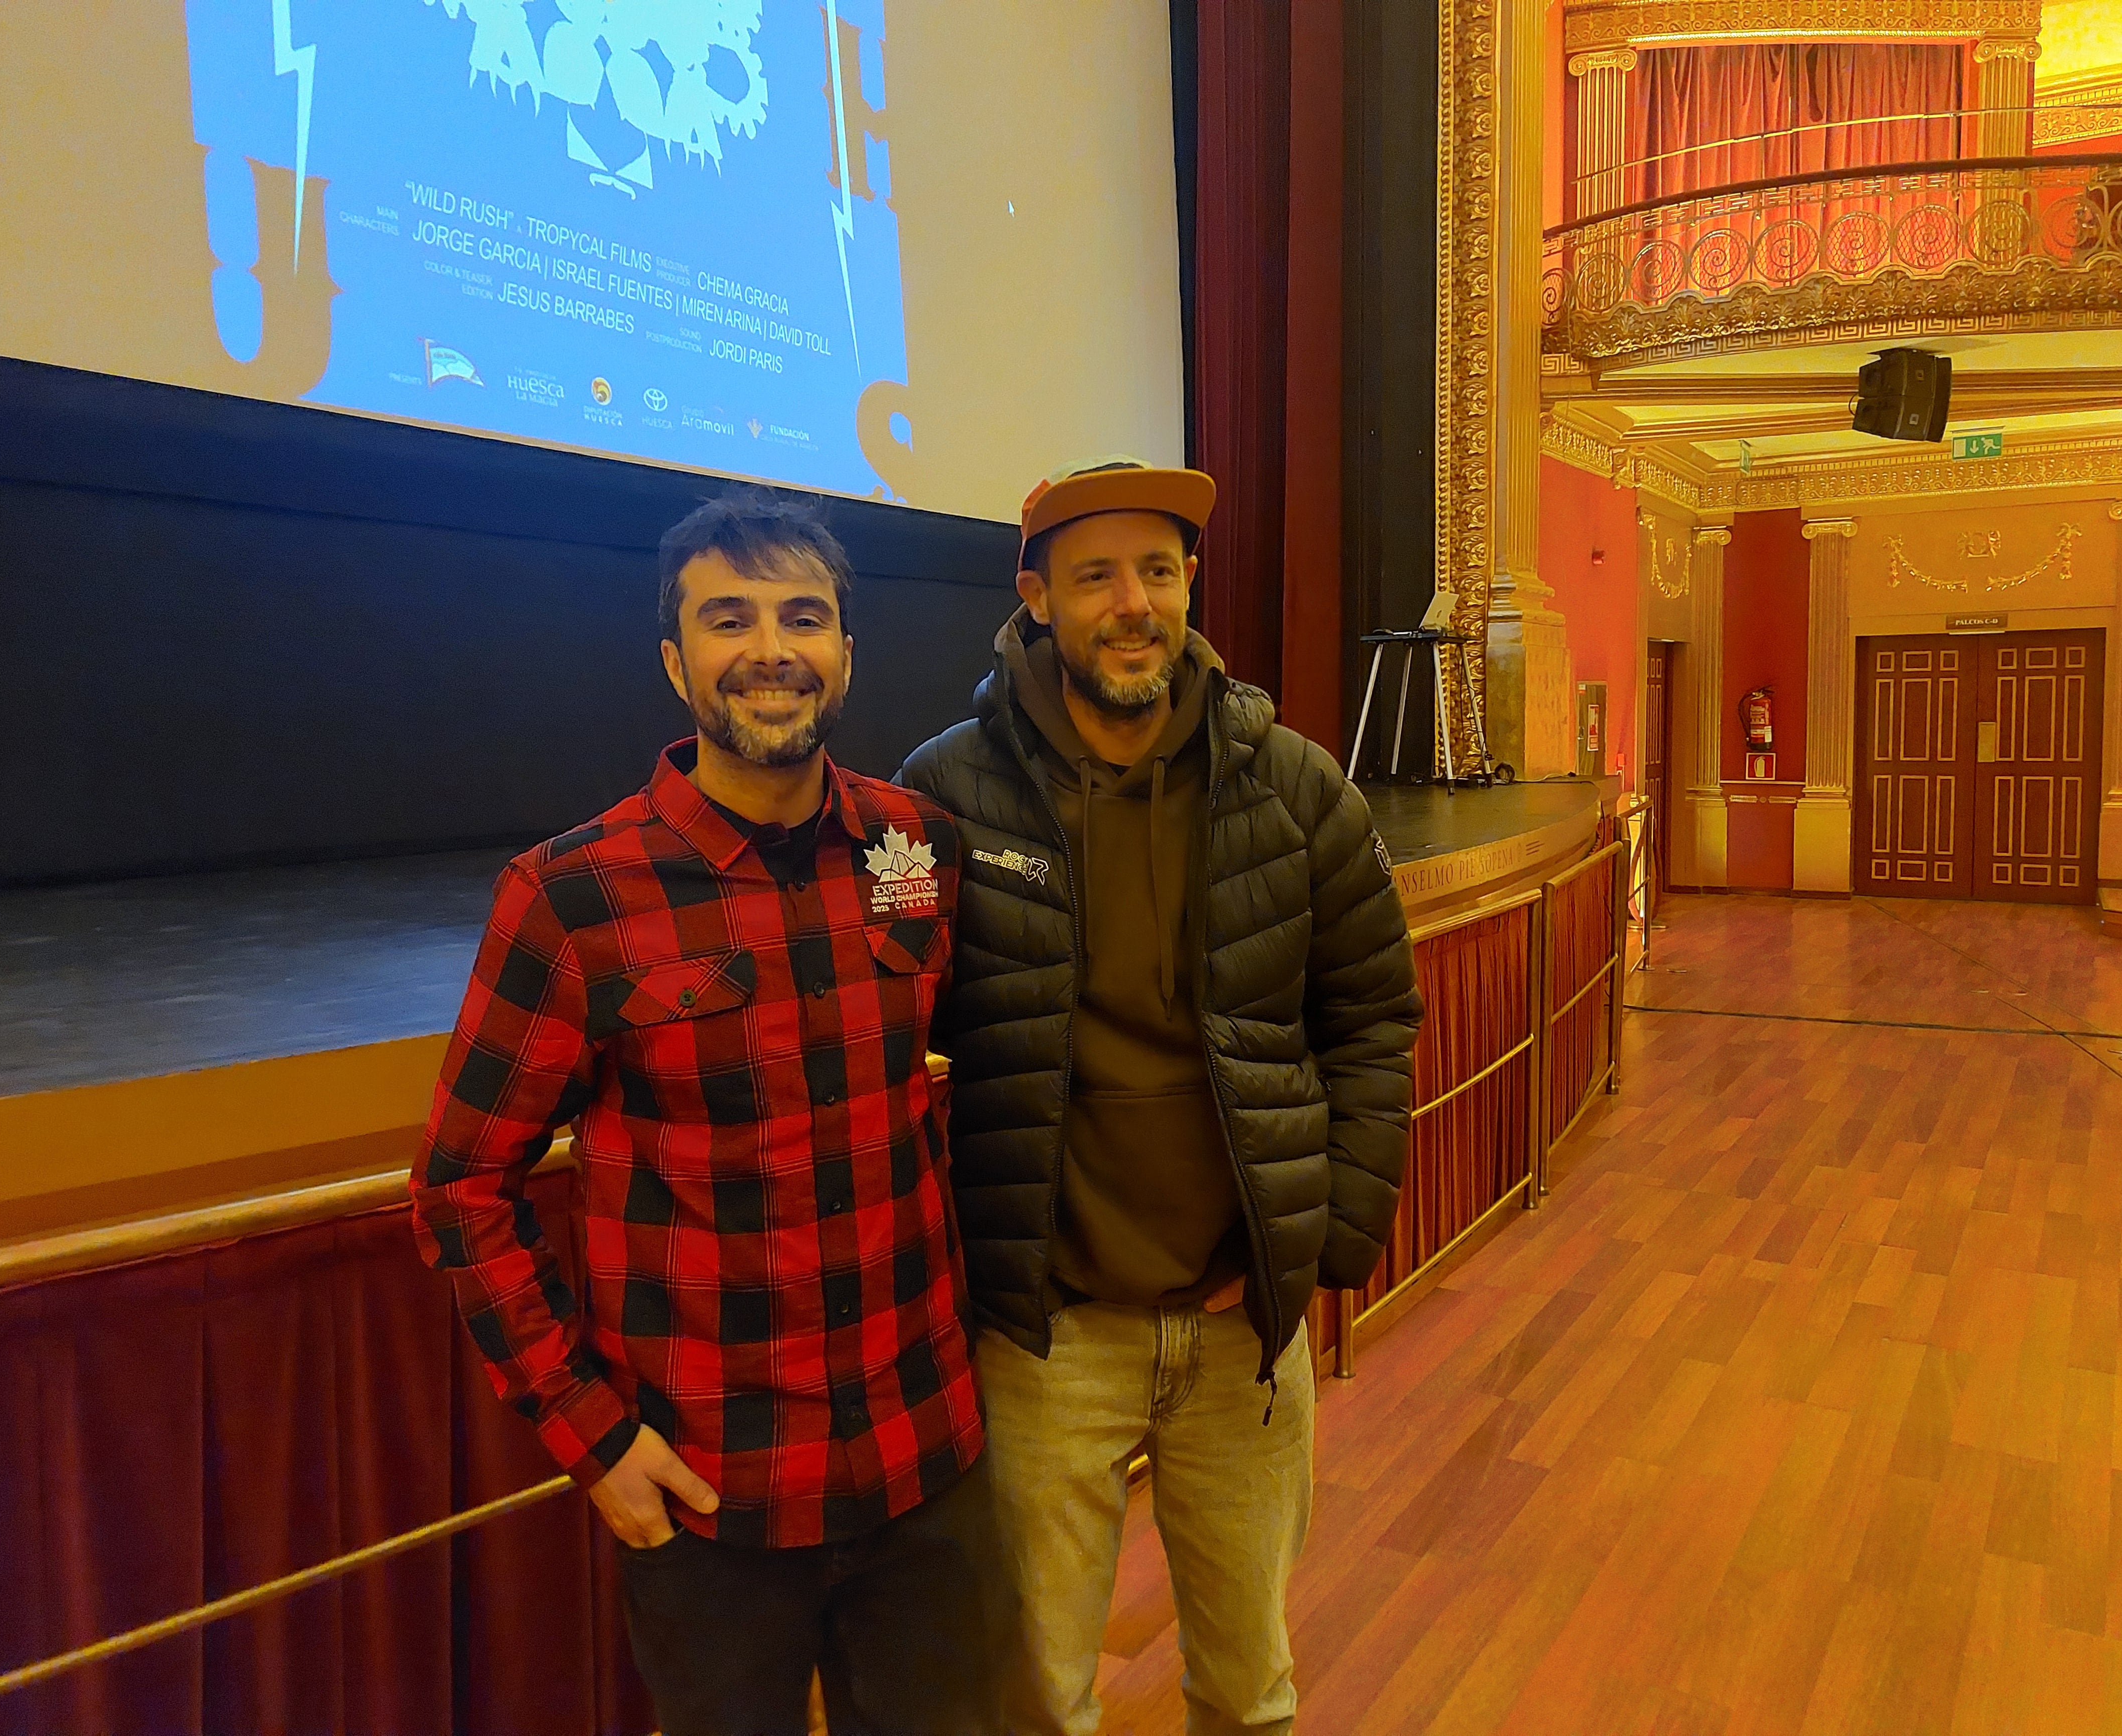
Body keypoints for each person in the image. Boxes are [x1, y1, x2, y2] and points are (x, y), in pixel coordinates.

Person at [411, 489, 1006, 1735]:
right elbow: (463, 1189)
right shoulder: (573, 897)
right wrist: (590, 1438)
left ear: (848, 650)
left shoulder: (919, 852)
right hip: (707, 1500)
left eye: (804, 616)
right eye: (729, 620)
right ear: (676, 663)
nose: (771, 649)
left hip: (927, 1469)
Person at [899, 458, 1421, 1734]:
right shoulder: (941, 796)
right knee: (1035, 1701)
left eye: (1157, 571)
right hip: (1045, 1341)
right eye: (1093, 576)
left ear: (1188, 588)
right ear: (1034, 599)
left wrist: (1323, 1241)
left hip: (1242, 1334)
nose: (1130, 603)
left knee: (1249, 1693)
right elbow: (885, 1026)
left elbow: (1370, 1017)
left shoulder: (1297, 789)